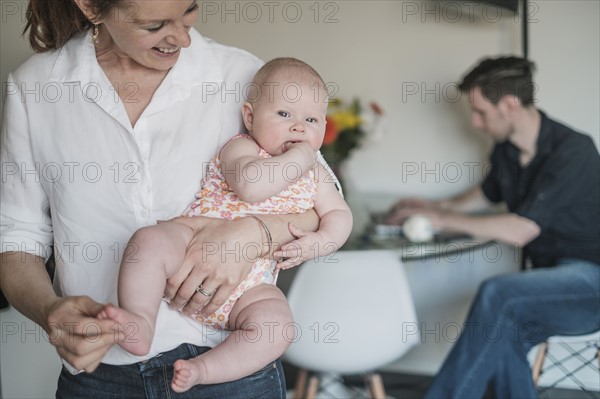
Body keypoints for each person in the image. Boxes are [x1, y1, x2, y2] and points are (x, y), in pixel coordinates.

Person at [0, 1, 330, 397]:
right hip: (102, 377)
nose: (183, 37)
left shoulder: (242, 74)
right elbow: (16, 239)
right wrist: (49, 311)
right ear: (90, 7)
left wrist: (253, 235)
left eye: (189, 12)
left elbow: (318, 196)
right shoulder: (35, 87)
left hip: (231, 367)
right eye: (155, 25)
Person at [98, 57, 353, 392]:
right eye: (284, 114)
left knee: (278, 328)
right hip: (192, 244)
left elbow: (340, 216)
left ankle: (202, 370)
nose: (298, 127)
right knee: (148, 241)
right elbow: (251, 186)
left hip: (252, 289)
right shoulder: (243, 147)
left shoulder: (318, 177)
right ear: (250, 117)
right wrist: (300, 158)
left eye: (311, 119)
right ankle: (140, 321)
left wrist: (318, 243)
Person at [387, 56, 600, 398]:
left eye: (481, 112)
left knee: (498, 294)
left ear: (510, 105)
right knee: (499, 333)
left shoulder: (574, 151)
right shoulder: (506, 152)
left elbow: (521, 230)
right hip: (544, 291)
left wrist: (440, 221)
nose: (475, 122)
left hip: (590, 286)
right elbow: (484, 195)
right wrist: (433, 206)